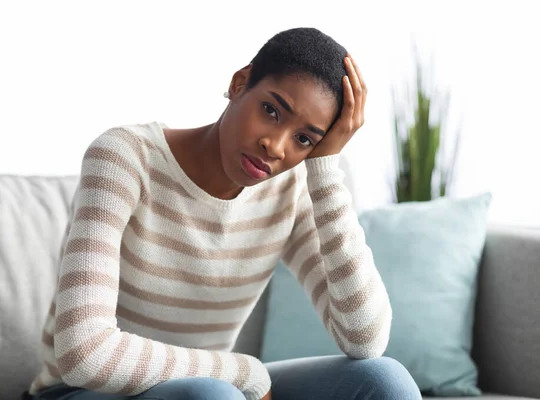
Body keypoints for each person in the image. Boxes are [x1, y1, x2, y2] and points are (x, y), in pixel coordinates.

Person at [25, 27, 421, 400]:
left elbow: (364, 339)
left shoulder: (289, 190)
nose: (276, 146)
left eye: (304, 139)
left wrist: (325, 168)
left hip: (212, 389)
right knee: (214, 395)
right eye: (271, 110)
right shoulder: (125, 158)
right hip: (81, 391)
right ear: (239, 83)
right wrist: (240, 373)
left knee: (384, 381)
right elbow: (84, 354)